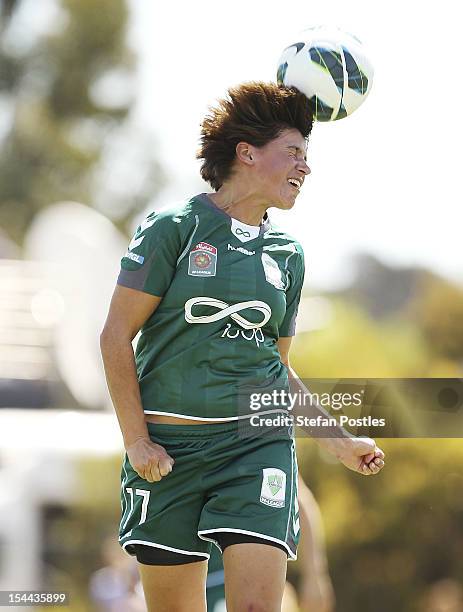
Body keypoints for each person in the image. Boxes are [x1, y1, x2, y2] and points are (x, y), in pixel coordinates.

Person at [100, 81, 385, 612]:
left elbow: (273, 371)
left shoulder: (289, 256)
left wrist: (339, 441)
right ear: (247, 153)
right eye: (294, 152)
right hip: (167, 456)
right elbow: (115, 337)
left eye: (308, 154)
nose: (305, 167)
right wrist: (137, 441)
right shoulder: (173, 229)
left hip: (255, 448)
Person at [206, 473, 335, 612]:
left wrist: (315, 575)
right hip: (197, 582)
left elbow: (299, 497)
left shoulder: (267, 455)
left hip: (246, 578)